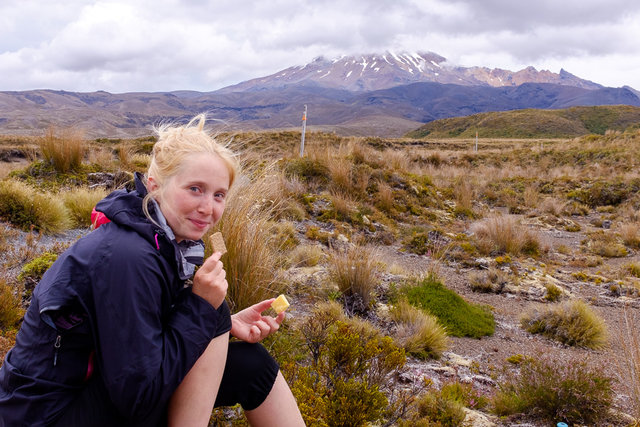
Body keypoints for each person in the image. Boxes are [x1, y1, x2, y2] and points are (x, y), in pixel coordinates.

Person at [0, 114, 305, 427]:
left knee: (250, 365)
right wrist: (202, 311)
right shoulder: (129, 256)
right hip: (47, 415)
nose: (208, 208)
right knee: (208, 311)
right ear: (155, 186)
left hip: (93, 392)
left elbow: (142, 333)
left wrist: (224, 322)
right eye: (195, 189)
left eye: (218, 195)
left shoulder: (159, 240)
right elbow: (138, 397)